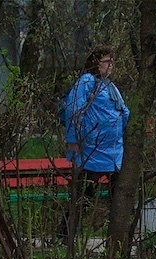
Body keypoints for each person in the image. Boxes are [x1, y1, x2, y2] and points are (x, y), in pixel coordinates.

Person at [62, 46, 129, 236]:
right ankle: (65, 233)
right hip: (93, 150)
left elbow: (121, 111)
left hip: (114, 150)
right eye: (107, 61)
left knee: (119, 194)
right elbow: (73, 109)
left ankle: (117, 233)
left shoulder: (109, 86)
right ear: (96, 63)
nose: (111, 65)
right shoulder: (87, 82)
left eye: (112, 61)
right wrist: (74, 139)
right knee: (84, 195)